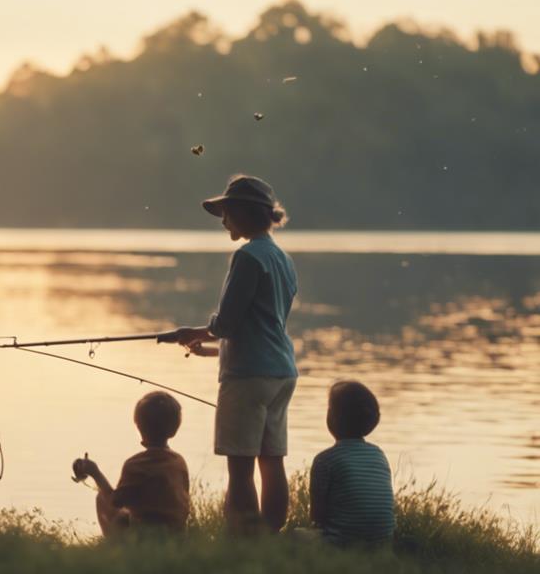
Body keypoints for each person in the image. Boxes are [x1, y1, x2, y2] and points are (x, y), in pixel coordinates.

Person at [160, 174, 297, 534]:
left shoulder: (248, 257)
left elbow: (228, 322)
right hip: (281, 371)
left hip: (248, 377)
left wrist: (193, 331)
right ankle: (270, 537)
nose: (223, 221)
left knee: (240, 465)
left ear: (246, 213)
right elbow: (262, 324)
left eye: (228, 212)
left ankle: (244, 541)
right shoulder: (282, 259)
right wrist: (208, 349)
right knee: (272, 461)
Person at [71, 391, 191, 536]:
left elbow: (115, 501)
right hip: (174, 535)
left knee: (102, 499)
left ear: (138, 427)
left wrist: (96, 473)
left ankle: (116, 549)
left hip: (143, 537)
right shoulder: (179, 462)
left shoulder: (136, 464)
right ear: (174, 429)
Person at [310, 380, 395, 547]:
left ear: (332, 418)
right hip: (382, 542)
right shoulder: (379, 454)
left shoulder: (325, 460)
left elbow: (317, 517)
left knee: (294, 538)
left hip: (340, 544)